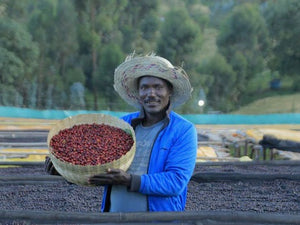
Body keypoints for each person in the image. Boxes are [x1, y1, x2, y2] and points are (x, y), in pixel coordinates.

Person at [45, 53, 197, 212]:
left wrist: (129, 180)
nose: (151, 94)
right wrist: (67, 172)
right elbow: (99, 168)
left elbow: (176, 181)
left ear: (169, 90)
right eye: (144, 87)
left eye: (158, 87)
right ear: (138, 93)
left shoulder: (182, 130)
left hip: (159, 220)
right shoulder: (123, 125)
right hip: (114, 218)